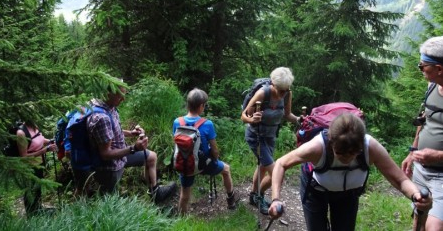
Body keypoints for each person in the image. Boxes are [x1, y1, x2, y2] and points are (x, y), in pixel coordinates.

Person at [268, 113, 432, 231]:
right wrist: (276, 199)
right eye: (340, 153)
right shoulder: (317, 147)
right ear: (331, 142)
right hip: (315, 192)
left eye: (353, 153)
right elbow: (281, 163)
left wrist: (415, 195)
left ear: (361, 145)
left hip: (348, 195)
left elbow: (400, 179)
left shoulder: (371, 147)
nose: (347, 158)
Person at [87, 84, 176, 202]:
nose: (123, 99)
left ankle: (155, 193)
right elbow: (105, 154)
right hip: (110, 167)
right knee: (109, 201)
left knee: (151, 157)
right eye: (120, 97)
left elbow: (108, 132)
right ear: (108, 94)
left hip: (121, 156)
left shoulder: (108, 105)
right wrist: (134, 148)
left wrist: (130, 133)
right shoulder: (101, 118)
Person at [241, 67, 299, 214]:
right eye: (281, 90)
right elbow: (244, 117)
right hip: (256, 136)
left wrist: (300, 120)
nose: (283, 94)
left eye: (286, 90)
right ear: (274, 84)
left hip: (271, 136)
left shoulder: (287, 93)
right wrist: (251, 118)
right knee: (276, 172)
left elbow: (287, 115)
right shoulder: (262, 93)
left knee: (262, 167)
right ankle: (263, 196)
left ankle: (254, 195)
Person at [401, 35, 443, 231]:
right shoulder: (432, 86)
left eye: (422, 65)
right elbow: (424, 118)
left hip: (442, 175)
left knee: (434, 227)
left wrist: (438, 155)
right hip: (421, 169)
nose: (420, 69)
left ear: (439, 69)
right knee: (419, 219)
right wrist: (413, 150)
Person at [173, 88, 236, 215]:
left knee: (184, 195)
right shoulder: (207, 124)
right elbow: (214, 149)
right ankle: (231, 201)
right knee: (226, 170)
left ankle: (181, 220)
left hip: (185, 165)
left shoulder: (177, 122)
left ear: (188, 104)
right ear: (201, 106)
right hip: (204, 164)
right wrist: (215, 158)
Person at [16, 121, 57, 216]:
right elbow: (24, 156)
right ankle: (31, 214)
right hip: (29, 167)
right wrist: (44, 150)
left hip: (39, 163)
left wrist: (50, 141)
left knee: (38, 188)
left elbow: (41, 139)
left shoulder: (34, 126)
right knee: (30, 190)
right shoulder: (21, 133)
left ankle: (38, 209)